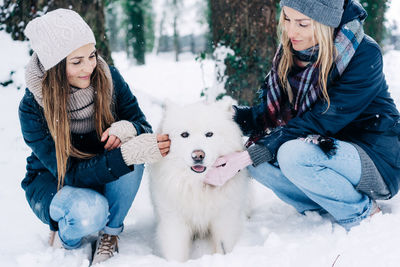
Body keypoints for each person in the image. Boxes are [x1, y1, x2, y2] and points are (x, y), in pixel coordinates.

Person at [204, 0, 400, 230]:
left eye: (302, 24)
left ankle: (362, 214)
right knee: (258, 162)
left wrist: (250, 155)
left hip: (374, 159)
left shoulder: (363, 53)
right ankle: (321, 211)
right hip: (323, 151)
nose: (290, 31)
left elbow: (322, 119)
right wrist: (223, 118)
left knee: (290, 154)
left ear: (325, 23)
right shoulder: (291, 52)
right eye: (287, 18)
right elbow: (268, 116)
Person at [19, 8, 170, 264]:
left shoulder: (109, 79)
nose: (89, 67)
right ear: (54, 67)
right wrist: (125, 154)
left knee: (134, 154)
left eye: (92, 55)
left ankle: (110, 233)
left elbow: (142, 126)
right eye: (76, 62)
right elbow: (72, 173)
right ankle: (69, 239)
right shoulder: (33, 108)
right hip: (56, 181)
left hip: (104, 172)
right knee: (87, 211)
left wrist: (128, 129)